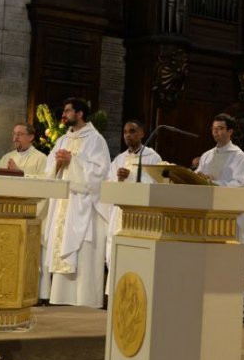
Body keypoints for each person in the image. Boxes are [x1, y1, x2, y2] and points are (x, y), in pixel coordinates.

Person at [42, 97, 111, 307]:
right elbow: (48, 171)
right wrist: (58, 164)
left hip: (83, 203)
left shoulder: (95, 140)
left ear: (80, 114)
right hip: (63, 200)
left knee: (83, 251)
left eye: (68, 110)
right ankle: (60, 298)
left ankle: (85, 301)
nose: (65, 114)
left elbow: (100, 173)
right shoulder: (62, 140)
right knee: (61, 244)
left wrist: (74, 162)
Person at [103, 120, 162, 268]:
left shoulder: (152, 157)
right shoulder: (119, 159)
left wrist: (132, 177)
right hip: (119, 213)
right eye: (125, 132)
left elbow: (157, 187)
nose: (128, 135)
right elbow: (110, 185)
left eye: (132, 131)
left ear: (142, 134)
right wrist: (119, 179)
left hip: (141, 216)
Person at [197, 114, 244, 264]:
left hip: (229, 214)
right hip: (208, 212)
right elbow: (198, 178)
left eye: (220, 128)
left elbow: (239, 184)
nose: (216, 132)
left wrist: (214, 183)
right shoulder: (206, 156)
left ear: (230, 132)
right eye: (214, 129)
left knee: (227, 260)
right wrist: (199, 178)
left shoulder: (238, 156)